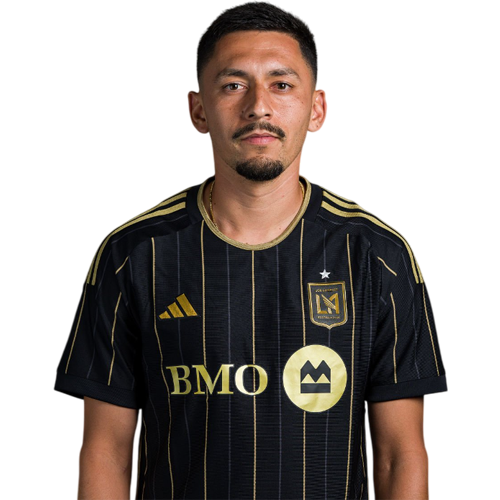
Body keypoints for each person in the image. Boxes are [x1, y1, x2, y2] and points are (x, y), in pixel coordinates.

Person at [55, 3, 447, 499]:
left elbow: (398, 456)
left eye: (281, 84)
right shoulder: (133, 255)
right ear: (199, 109)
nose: (259, 106)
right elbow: (107, 452)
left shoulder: (378, 255)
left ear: (317, 108)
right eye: (233, 85)